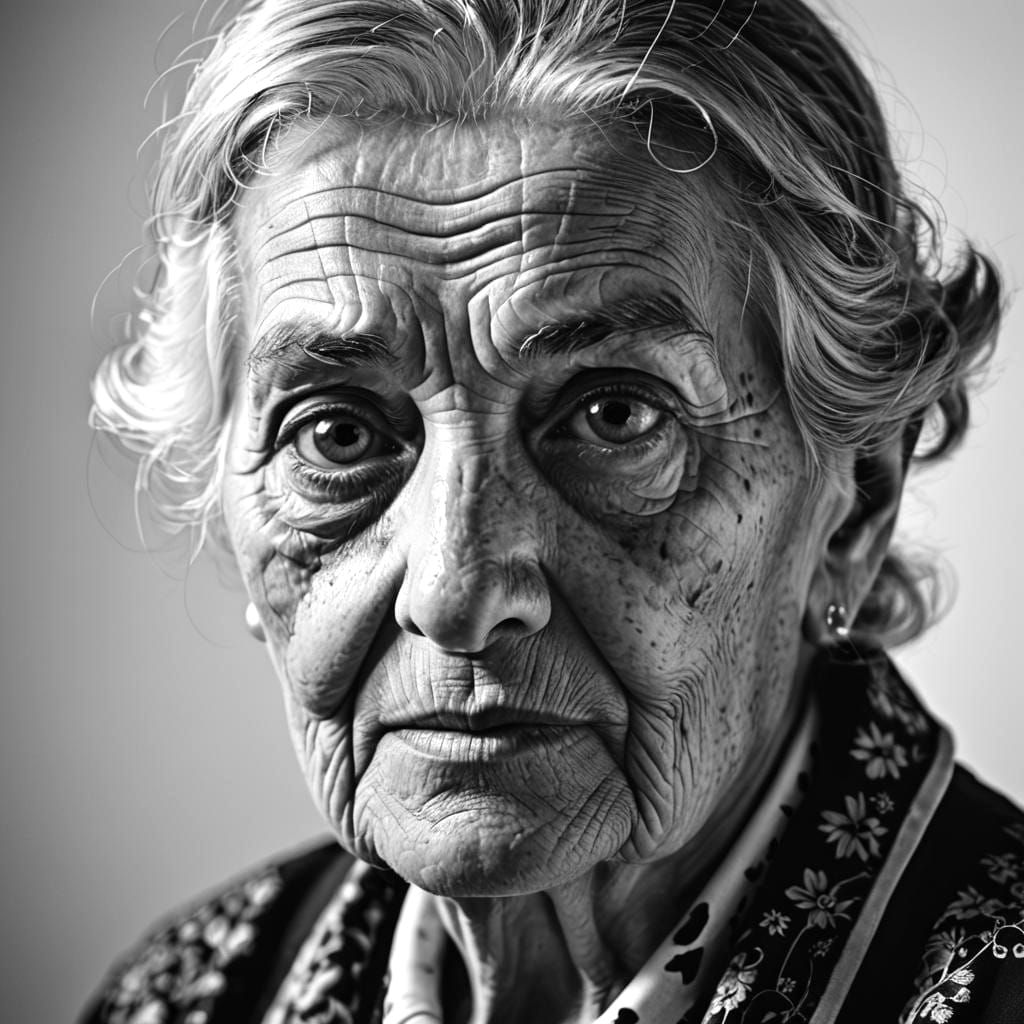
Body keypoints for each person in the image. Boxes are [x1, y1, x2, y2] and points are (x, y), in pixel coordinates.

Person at [80, 0, 1023, 1021]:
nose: (456, 590)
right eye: (338, 435)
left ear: (854, 504)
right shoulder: (177, 997)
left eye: (614, 416)